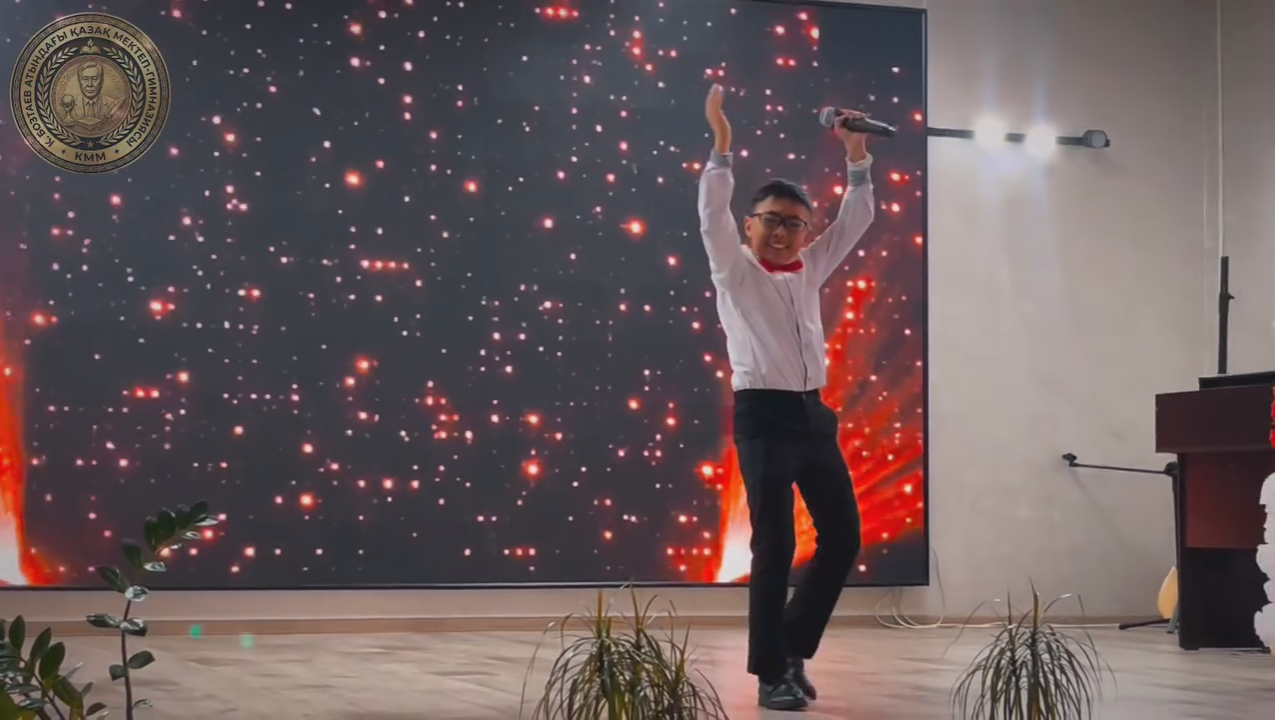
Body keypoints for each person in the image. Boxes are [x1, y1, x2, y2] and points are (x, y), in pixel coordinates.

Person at [697, 83, 874, 711]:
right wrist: (722, 146)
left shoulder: (810, 267)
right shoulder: (734, 270)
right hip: (764, 416)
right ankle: (770, 673)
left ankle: (792, 647)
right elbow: (711, 218)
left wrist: (857, 155)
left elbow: (856, 220)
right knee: (775, 546)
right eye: (770, 220)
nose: (782, 232)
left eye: (794, 224)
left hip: (812, 414)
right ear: (749, 225)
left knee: (843, 538)